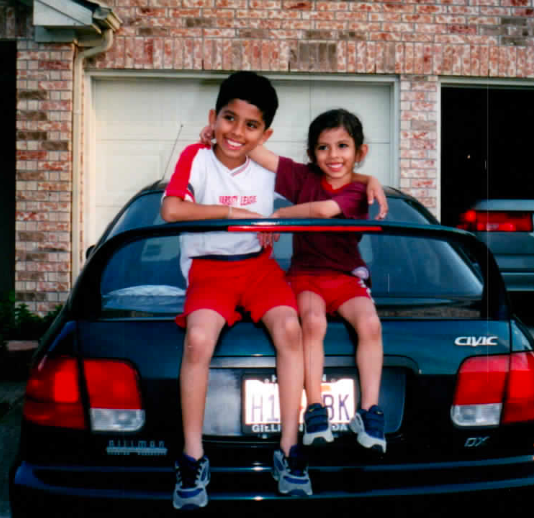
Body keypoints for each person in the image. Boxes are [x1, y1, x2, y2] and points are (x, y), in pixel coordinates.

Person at [161, 71, 310, 509]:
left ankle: (289, 450)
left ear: (265, 134)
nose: (236, 131)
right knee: (198, 340)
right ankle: (192, 457)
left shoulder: (268, 167)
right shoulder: (196, 156)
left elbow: (328, 182)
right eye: (229, 118)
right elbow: (171, 208)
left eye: (251, 125)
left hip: (259, 271)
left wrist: (277, 219)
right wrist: (231, 212)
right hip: (210, 271)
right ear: (213, 117)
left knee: (290, 329)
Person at [204, 108, 387, 453]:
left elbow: (323, 211)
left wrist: (278, 216)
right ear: (311, 154)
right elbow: (255, 151)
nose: (333, 155)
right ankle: (316, 409)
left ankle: (369, 411)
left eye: (343, 146)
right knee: (312, 322)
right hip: (305, 277)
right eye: (323, 148)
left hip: (346, 279)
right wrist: (221, 133)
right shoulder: (303, 178)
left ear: (360, 152)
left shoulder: (357, 193)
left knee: (370, 324)